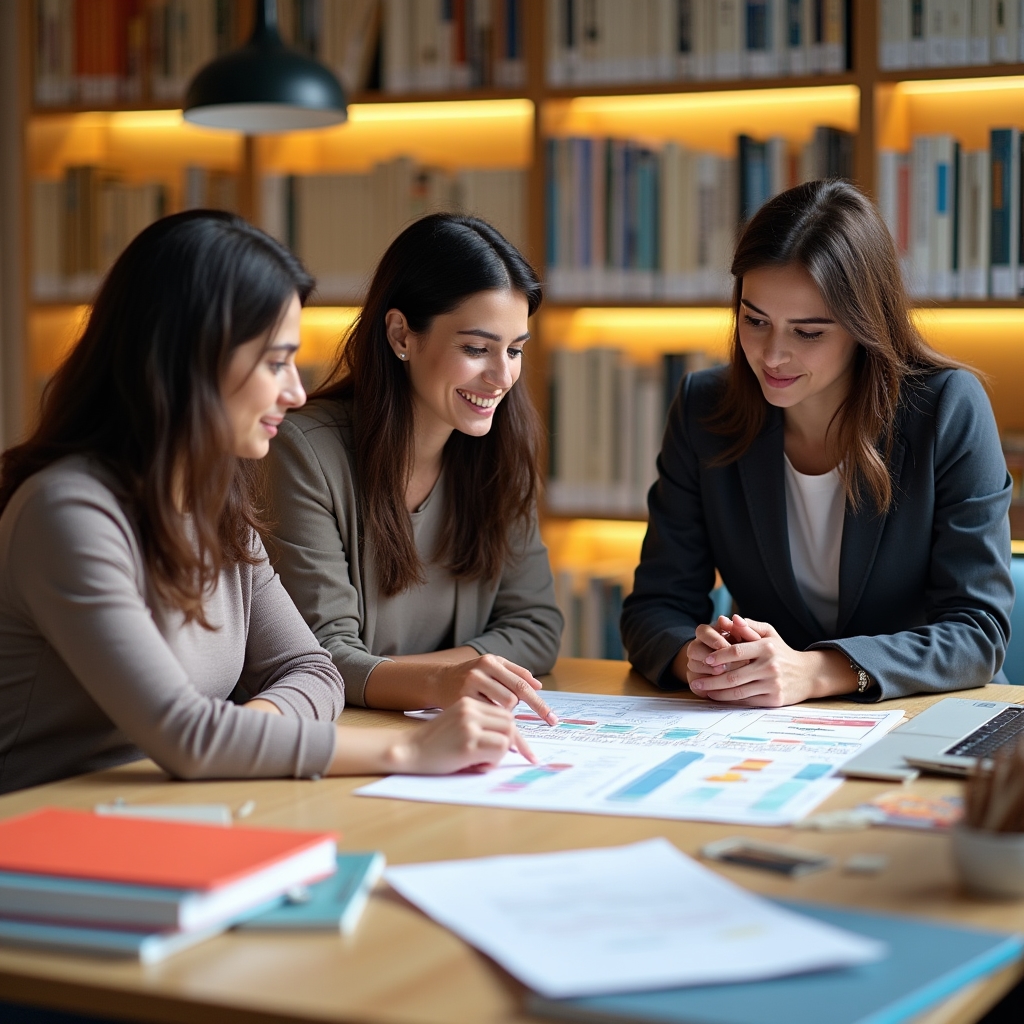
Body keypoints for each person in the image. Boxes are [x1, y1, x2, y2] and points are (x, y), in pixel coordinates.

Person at [0, 211, 533, 795]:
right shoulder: (68, 514)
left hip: (173, 809)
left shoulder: (214, 503)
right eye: (275, 362)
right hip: (40, 835)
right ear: (192, 360)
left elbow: (313, 671)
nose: (296, 391)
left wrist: (233, 736)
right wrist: (410, 746)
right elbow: (189, 738)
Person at [620, 179, 1013, 706]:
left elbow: (977, 633)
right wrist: (697, 659)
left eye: (808, 332)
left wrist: (817, 671)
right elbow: (655, 608)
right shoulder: (704, 407)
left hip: (924, 710)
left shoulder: (945, 408)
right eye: (755, 320)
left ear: (864, 326)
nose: (773, 355)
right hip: (767, 723)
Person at [264, 213, 563, 723]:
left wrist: (435, 678)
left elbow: (536, 626)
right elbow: (322, 657)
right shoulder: (302, 452)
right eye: (475, 348)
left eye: (514, 350)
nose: (501, 376)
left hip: (434, 732)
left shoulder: (499, 450)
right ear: (402, 334)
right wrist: (450, 678)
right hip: (339, 737)